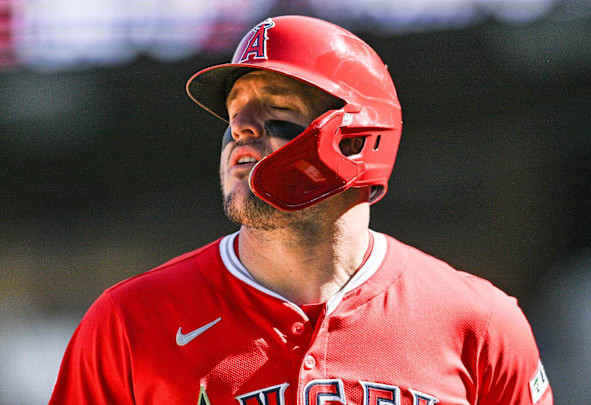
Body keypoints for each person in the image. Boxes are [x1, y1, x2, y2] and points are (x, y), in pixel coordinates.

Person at [49, 15, 553, 405]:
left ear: (358, 138)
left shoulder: (480, 323)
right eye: (234, 112)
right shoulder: (131, 322)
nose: (241, 129)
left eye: (277, 109)